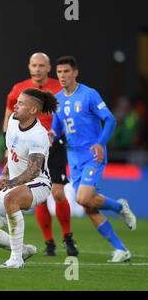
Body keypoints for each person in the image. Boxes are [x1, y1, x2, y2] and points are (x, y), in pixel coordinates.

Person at [51, 56, 137, 262]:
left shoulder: (89, 95)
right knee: (88, 206)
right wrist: (51, 135)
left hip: (93, 155)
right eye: (59, 72)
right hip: (73, 158)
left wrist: (100, 143)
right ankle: (121, 249)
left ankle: (119, 207)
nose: (62, 76)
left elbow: (110, 120)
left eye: (66, 71)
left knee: (82, 198)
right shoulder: (57, 100)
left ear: (75, 72)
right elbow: (57, 127)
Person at [3, 53, 77, 256]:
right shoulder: (20, 89)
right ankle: (49, 242)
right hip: (28, 148)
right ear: (29, 67)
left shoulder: (58, 88)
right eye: (34, 65)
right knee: (40, 197)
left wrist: (58, 133)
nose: (37, 69)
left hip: (54, 145)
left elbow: (66, 115)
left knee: (58, 194)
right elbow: (10, 113)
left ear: (48, 68)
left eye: (41, 66)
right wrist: (8, 144)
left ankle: (67, 237)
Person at [0, 88, 58, 268]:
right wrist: (6, 174)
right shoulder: (13, 121)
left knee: (11, 198)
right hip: (15, 182)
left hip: (38, 184)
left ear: (33, 110)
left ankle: (16, 260)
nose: (15, 105)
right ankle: (23, 251)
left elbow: (34, 170)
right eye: (17, 101)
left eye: (21, 103)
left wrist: (11, 182)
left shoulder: (38, 135)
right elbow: (12, 154)